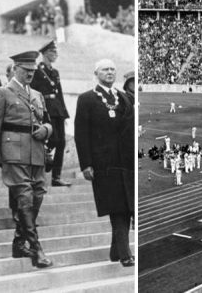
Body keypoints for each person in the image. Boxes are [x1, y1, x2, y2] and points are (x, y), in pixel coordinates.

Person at [0, 50, 54, 268]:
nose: (30, 74)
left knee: (38, 194)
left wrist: (47, 130)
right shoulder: (3, 92)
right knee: (24, 197)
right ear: (15, 69)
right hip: (13, 153)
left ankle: (18, 241)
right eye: (26, 70)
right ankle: (36, 248)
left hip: (36, 152)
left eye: (33, 71)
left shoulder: (37, 95)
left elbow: (49, 122)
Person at [74, 59, 135, 267]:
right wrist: (86, 164)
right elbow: (81, 134)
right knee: (117, 207)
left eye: (112, 69)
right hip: (103, 164)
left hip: (125, 162)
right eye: (105, 69)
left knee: (126, 207)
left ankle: (115, 251)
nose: (110, 72)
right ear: (96, 73)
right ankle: (125, 253)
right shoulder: (87, 99)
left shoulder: (124, 98)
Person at [30, 40, 70, 187]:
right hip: (46, 108)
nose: (56, 55)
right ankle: (45, 156)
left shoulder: (55, 72)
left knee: (62, 142)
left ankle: (56, 177)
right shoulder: (37, 71)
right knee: (53, 139)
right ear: (46, 53)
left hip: (58, 109)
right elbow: (34, 92)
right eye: (53, 52)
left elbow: (59, 93)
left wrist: (64, 113)